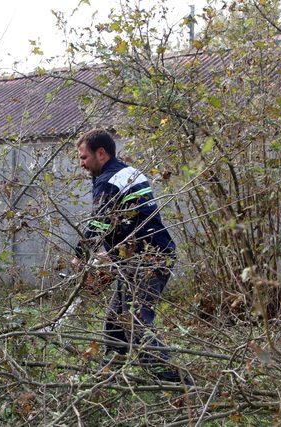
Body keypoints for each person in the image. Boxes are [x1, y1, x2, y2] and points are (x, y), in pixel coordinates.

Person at [73, 129, 184, 383]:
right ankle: (110, 378)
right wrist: (112, 255)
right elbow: (128, 222)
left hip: (147, 261)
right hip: (143, 256)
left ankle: (180, 386)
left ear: (101, 153)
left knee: (136, 325)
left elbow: (99, 225)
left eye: (84, 157)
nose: (82, 164)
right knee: (115, 322)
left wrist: (80, 256)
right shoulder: (129, 173)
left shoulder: (109, 181)